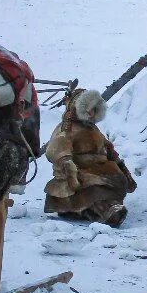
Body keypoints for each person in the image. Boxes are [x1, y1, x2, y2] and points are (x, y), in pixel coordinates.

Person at [43, 88, 134, 227]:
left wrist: (121, 167)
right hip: (79, 172)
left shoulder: (93, 129)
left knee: (113, 181)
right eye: (90, 109)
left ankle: (105, 208)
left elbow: (108, 148)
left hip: (100, 169)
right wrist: (67, 163)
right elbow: (55, 149)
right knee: (94, 188)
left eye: (95, 109)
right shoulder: (67, 129)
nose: (92, 113)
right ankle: (107, 210)